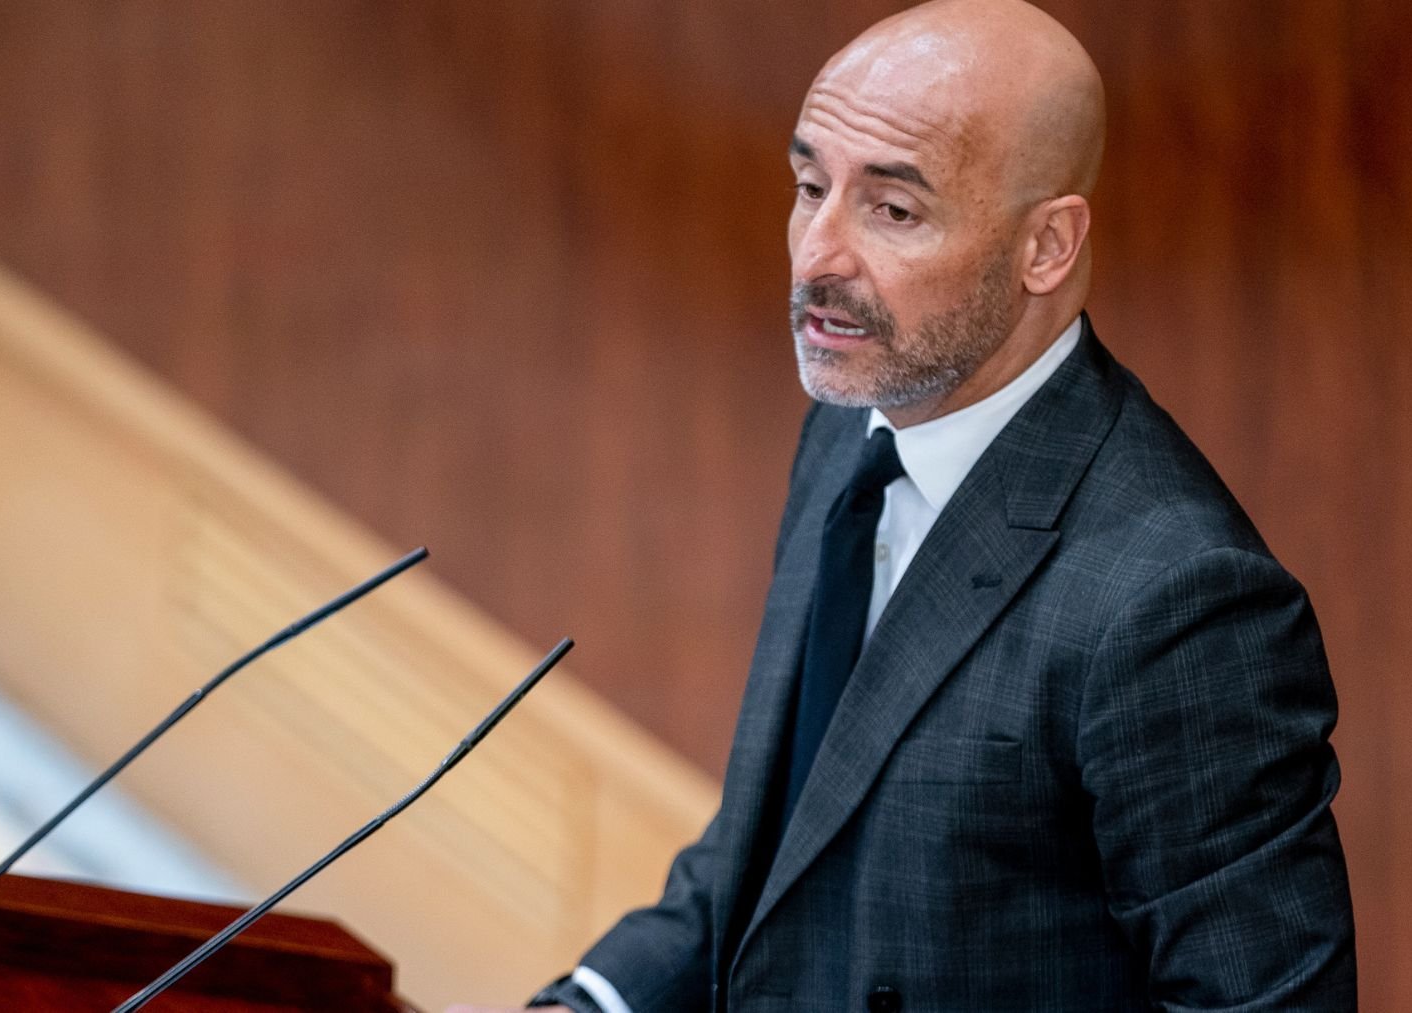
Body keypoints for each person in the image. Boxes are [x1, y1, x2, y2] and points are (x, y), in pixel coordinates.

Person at [451, 0, 1354, 1009]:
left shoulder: (1179, 598)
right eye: (808, 186)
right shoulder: (852, 430)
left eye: (893, 210)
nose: (816, 258)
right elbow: (774, 855)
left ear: (1046, 246)